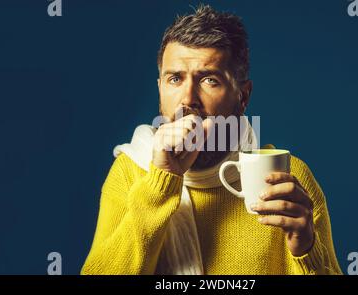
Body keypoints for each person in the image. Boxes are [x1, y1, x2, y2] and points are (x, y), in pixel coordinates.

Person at [81, 4, 342, 275]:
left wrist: (306, 249)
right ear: (159, 88)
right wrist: (160, 181)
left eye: (209, 80)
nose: (187, 99)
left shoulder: (288, 179)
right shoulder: (129, 172)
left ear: (243, 96)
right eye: (175, 79)